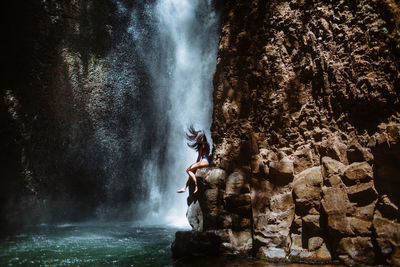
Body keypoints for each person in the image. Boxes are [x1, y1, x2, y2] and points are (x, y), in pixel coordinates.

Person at [176, 125, 210, 194]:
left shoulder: (201, 146)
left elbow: (199, 157)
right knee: (192, 172)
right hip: (207, 161)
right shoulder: (207, 144)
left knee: (188, 170)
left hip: (203, 161)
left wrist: (195, 164)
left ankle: (196, 185)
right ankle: (184, 187)